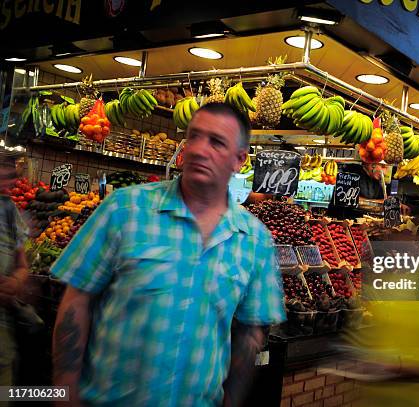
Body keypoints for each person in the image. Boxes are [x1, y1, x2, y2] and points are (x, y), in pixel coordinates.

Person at [51, 103, 286, 406]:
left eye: (216, 142)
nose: (200, 149)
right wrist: (64, 394)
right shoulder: (124, 209)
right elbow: (76, 301)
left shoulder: (255, 240)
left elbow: (251, 334)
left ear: (239, 159)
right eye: (194, 137)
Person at [0, 153, 29, 392]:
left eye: (9, 178)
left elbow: (22, 265)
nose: (6, 185)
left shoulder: (10, 211)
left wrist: (16, 281)